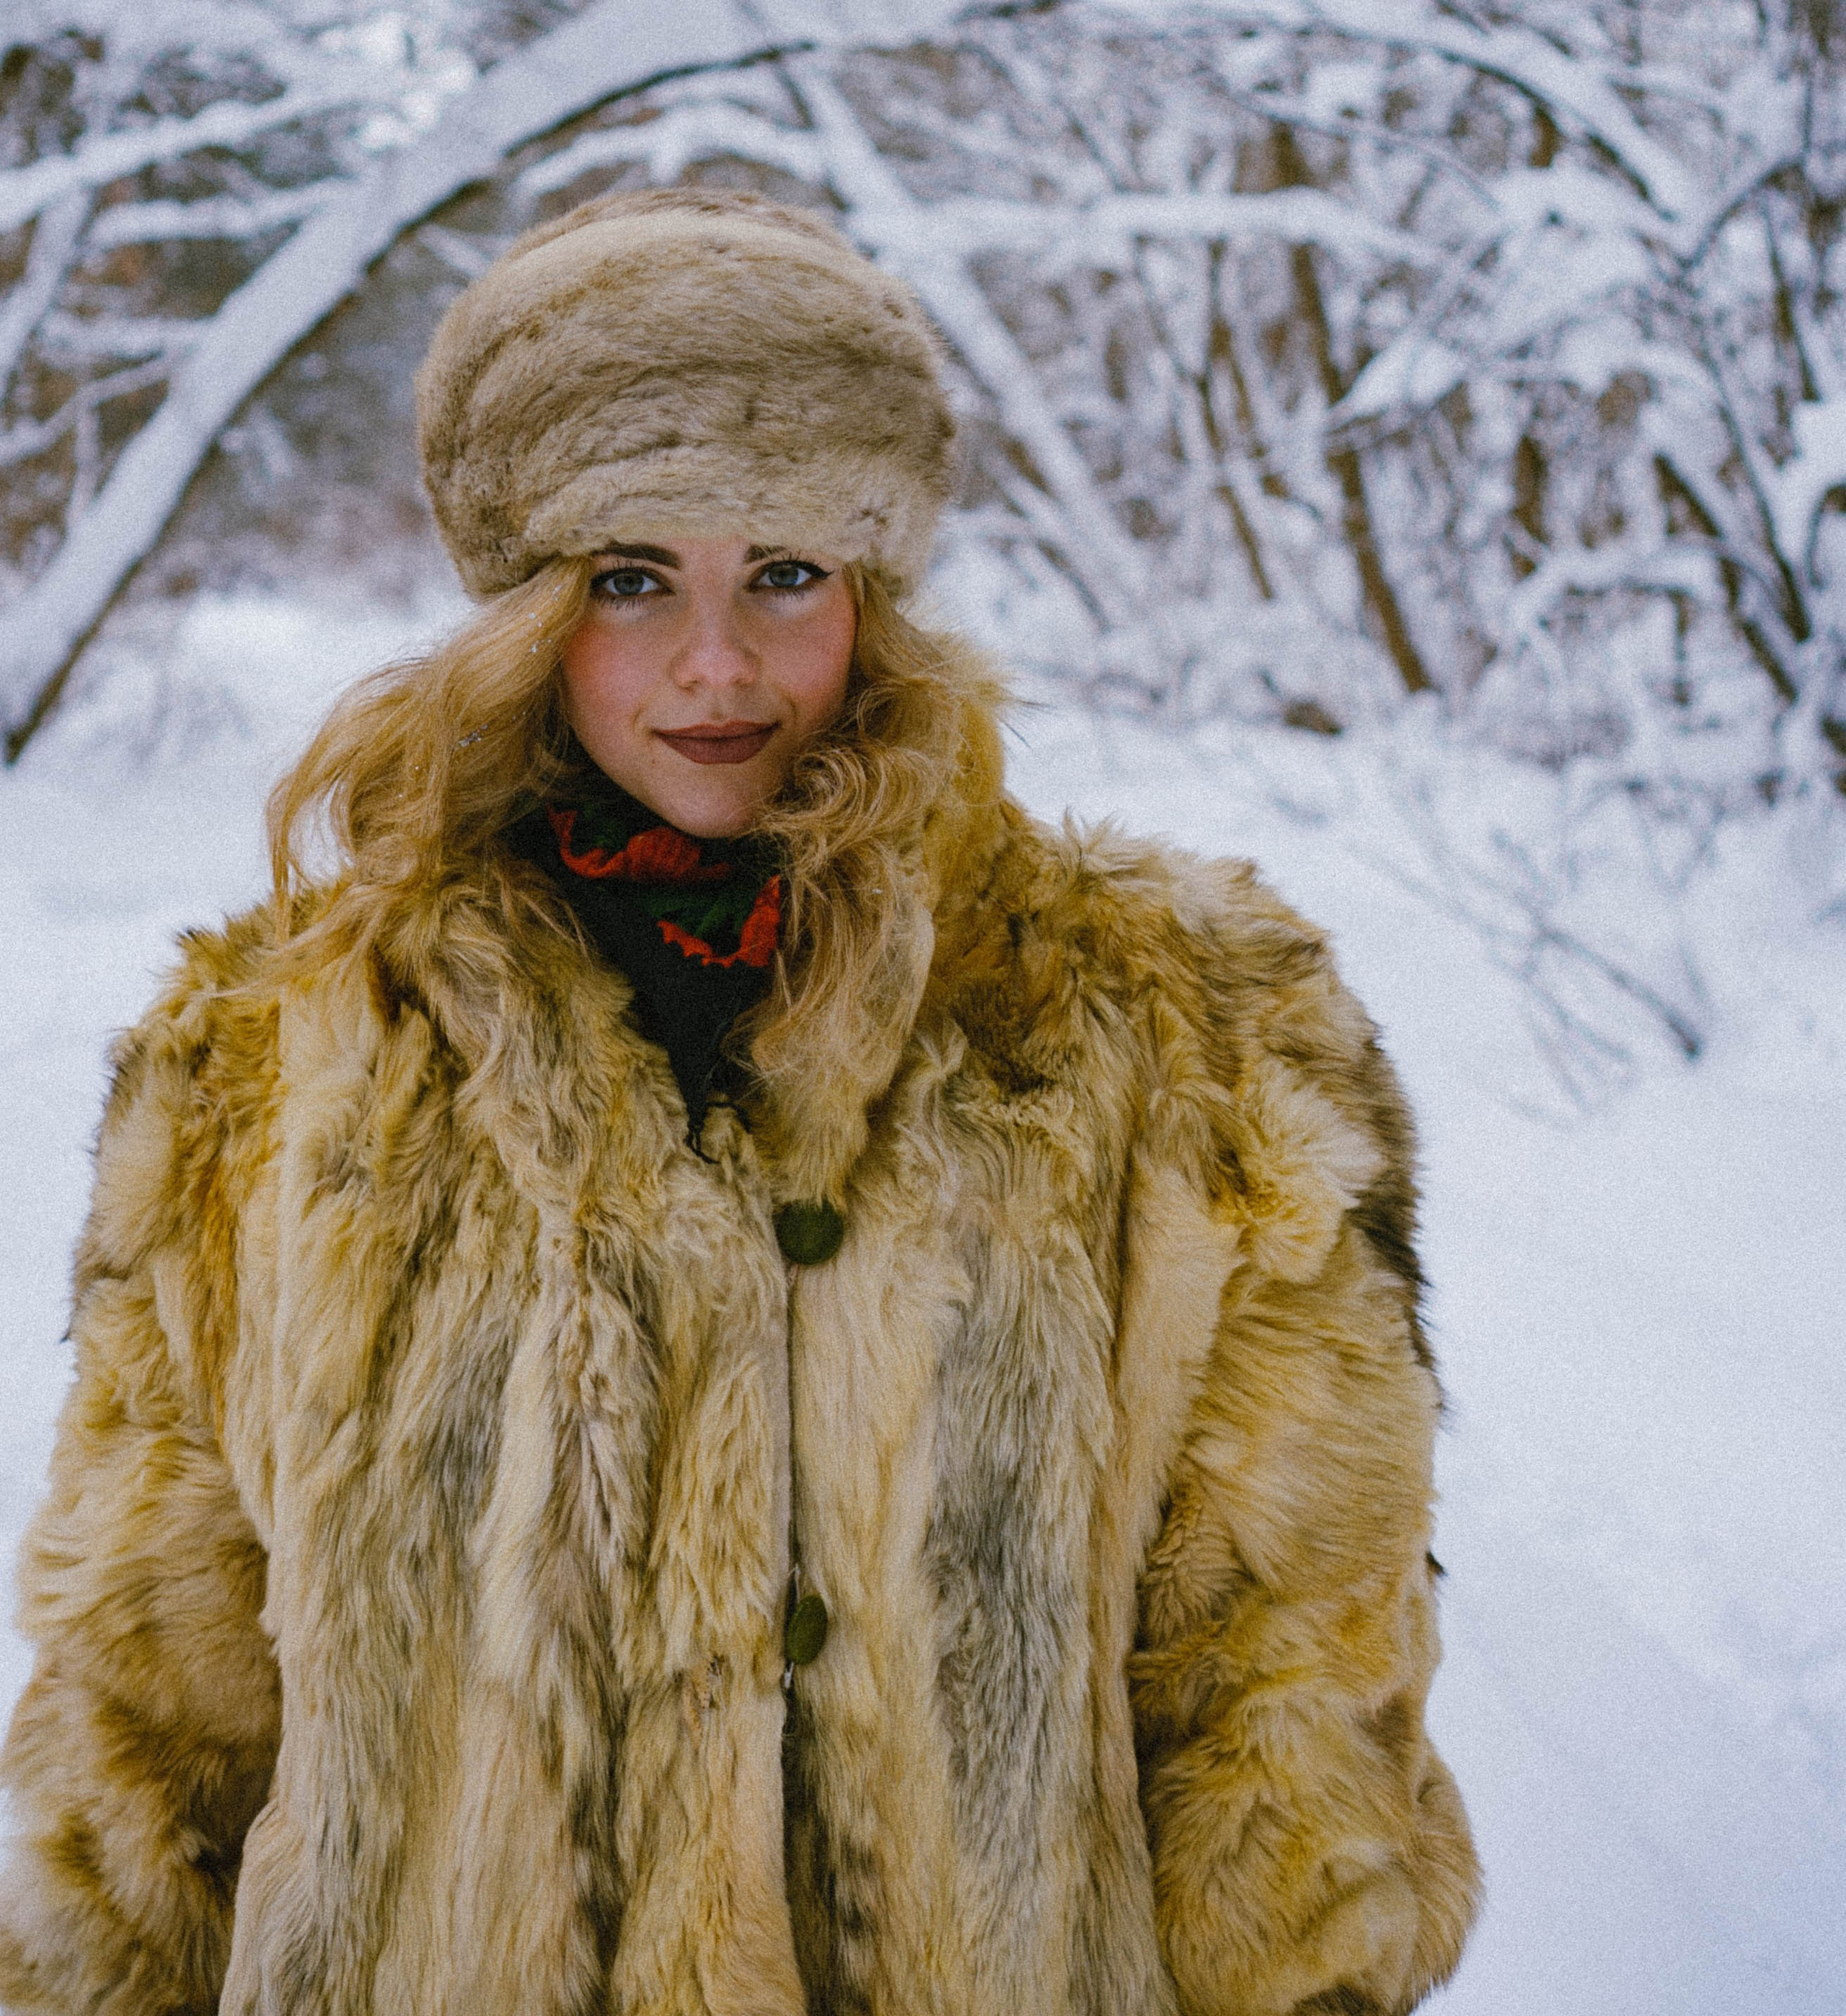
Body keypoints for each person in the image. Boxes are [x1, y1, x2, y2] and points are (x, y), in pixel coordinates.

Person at [0, 192, 1478, 2015]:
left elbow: (1287, 1684)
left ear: (873, 591)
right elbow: (146, 1712)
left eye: (784, 573)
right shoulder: (275, 1062)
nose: (717, 667)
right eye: (632, 578)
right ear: (526, 609)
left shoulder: (1174, 1044)